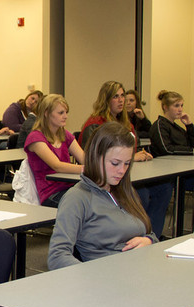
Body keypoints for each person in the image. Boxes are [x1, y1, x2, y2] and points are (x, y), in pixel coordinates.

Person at [48, 122, 156, 270]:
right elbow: (57, 256)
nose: (122, 171)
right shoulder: (77, 198)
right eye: (115, 163)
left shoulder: (125, 190)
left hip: (138, 270)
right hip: (106, 278)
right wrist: (93, 276)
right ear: (96, 156)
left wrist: (149, 240)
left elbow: (149, 232)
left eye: (127, 163)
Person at [80, 81, 165, 235]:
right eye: (115, 97)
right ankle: (130, 235)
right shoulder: (94, 124)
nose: (121, 100)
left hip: (128, 174)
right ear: (106, 100)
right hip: (107, 178)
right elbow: (91, 157)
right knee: (141, 194)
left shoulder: (126, 123)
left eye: (122, 96)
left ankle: (151, 235)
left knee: (164, 187)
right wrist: (133, 158)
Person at [24, 94, 85, 207]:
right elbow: (57, 166)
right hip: (51, 193)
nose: (65, 116)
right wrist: (88, 169)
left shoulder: (64, 134)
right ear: (46, 113)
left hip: (70, 188)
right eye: (61, 113)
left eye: (66, 112)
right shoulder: (35, 138)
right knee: (88, 206)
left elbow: (84, 158)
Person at [149, 89, 193, 156]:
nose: (180, 109)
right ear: (166, 107)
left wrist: (189, 125)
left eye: (181, 105)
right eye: (176, 106)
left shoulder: (177, 128)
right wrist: (190, 150)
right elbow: (167, 149)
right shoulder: (160, 125)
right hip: (165, 163)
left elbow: (191, 144)